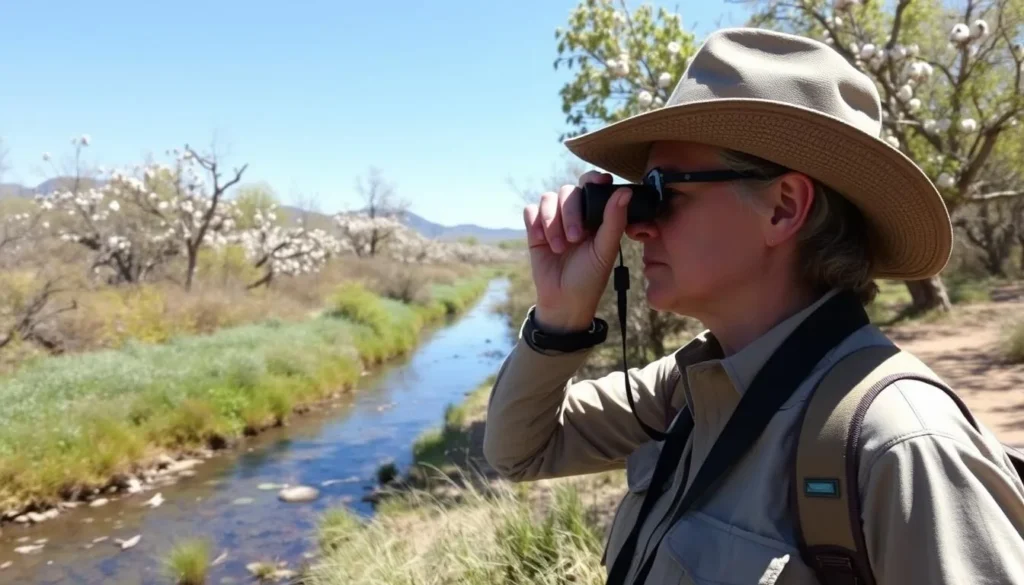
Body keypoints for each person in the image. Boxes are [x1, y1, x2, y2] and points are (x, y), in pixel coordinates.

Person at [483, 26, 1024, 585]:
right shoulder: (691, 388)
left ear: (783, 207)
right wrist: (560, 320)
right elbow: (520, 450)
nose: (636, 226)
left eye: (662, 191)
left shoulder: (899, 446)